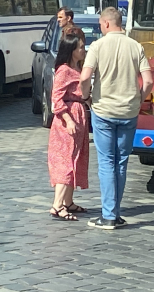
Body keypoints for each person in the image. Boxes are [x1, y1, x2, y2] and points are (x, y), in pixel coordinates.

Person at [80, 7, 153, 230]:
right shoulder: (135, 46)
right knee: (121, 162)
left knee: (106, 162)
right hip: (129, 111)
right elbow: (148, 81)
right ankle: (116, 212)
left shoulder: (98, 46)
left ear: (106, 23)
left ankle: (109, 215)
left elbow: (85, 77)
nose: (101, 28)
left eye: (101, 24)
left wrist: (86, 97)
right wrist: (139, 100)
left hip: (104, 110)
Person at [48, 33, 90, 222]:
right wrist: (69, 119)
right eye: (80, 47)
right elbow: (56, 99)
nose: (84, 50)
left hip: (79, 113)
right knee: (65, 160)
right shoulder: (63, 70)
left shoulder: (78, 68)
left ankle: (68, 201)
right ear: (71, 50)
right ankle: (57, 205)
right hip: (67, 119)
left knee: (76, 157)